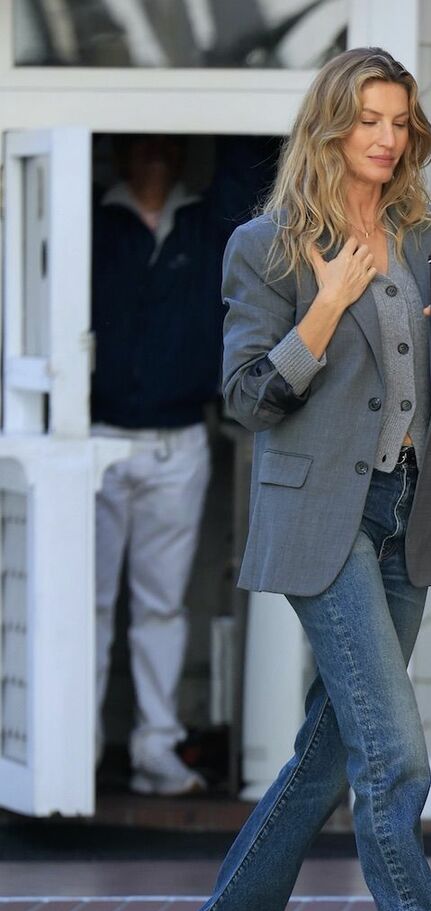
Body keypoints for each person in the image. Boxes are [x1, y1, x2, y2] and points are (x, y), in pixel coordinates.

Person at [174, 47, 431, 911]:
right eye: (368, 119)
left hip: (405, 509)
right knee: (393, 754)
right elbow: (249, 399)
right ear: (330, 125)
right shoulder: (268, 246)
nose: (386, 138)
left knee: (331, 753)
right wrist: (325, 305)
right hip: (321, 518)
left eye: (399, 121)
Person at [92, 134, 224, 796]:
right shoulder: (91, 219)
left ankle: (156, 750)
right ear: (118, 152)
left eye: (163, 140)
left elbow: (257, 163)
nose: (152, 152)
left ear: (180, 149)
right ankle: (73, 750)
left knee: (162, 608)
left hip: (178, 440)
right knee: (81, 604)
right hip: (91, 436)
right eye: (138, 141)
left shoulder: (205, 223)